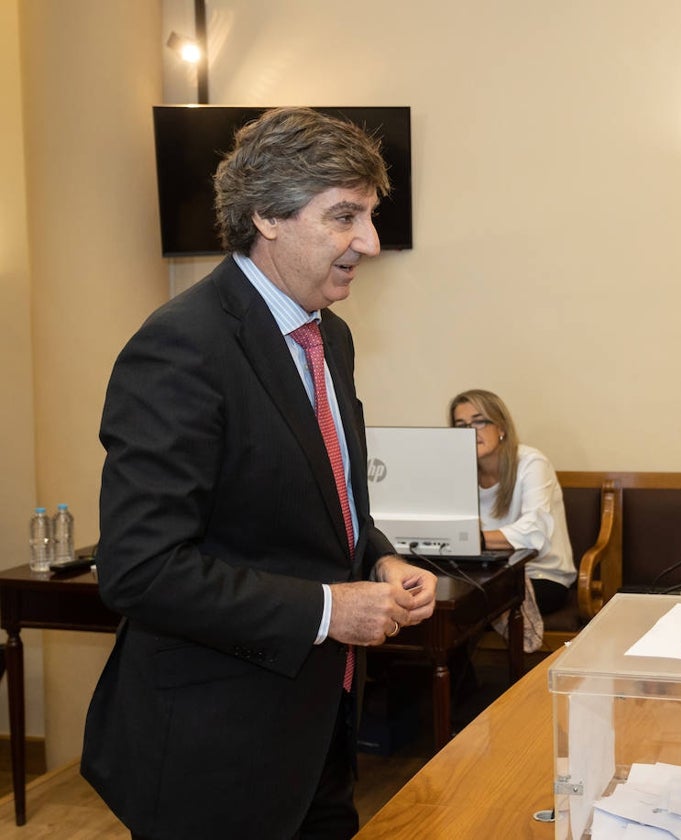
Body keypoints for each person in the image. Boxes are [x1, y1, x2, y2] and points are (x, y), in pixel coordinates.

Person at [81, 107, 438, 840]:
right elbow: (140, 569)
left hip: (316, 734)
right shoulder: (182, 346)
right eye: (345, 217)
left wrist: (379, 556)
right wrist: (329, 610)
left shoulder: (327, 335)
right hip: (214, 751)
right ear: (266, 216)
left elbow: (317, 499)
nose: (368, 243)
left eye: (370, 217)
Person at [449, 389, 576, 614]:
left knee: (464, 609)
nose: (469, 432)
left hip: (540, 575)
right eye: (461, 426)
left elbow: (534, 530)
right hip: (485, 573)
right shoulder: (458, 471)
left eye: (479, 422)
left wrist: (471, 539)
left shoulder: (531, 462)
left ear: (501, 428)